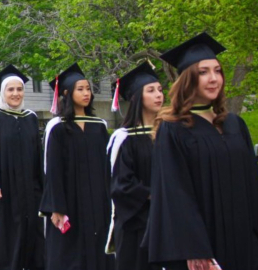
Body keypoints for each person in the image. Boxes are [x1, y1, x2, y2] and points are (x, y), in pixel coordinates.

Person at [144, 32, 258, 270]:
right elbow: (175, 194)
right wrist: (194, 248)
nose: (213, 78)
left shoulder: (234, 124)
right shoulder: (173, 130)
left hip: (245, 240)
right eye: (203, 72)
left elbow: (254, 187)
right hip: (205, 248)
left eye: (217, 71)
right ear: (187, 79)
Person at [39, 63, 113, 270]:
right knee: (69, 254)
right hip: (68, 201)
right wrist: (56, 207)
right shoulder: (57, 126)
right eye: (80, 89)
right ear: (67, 93)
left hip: (97, 202)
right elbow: (51, 170)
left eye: (88, 88)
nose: (86, 93)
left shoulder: (99, 126)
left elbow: (107, 167)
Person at [0, 65, 45, 270]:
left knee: (32, 231)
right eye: (11, 90)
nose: (16, 94)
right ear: (2, 92)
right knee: (6, 233)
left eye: (19, 89)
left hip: (29, 187)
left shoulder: (31, 118)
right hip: (4, 188)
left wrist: (42, 187)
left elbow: (38, 153)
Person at [106, 62, 163, 270]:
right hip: (136, 223)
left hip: (167, 218)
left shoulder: (168, 132)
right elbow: (122, 185)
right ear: (136, 97)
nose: (158, 95)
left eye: (160, 90)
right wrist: (157, 194)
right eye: (151, 90)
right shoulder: (124, 138)